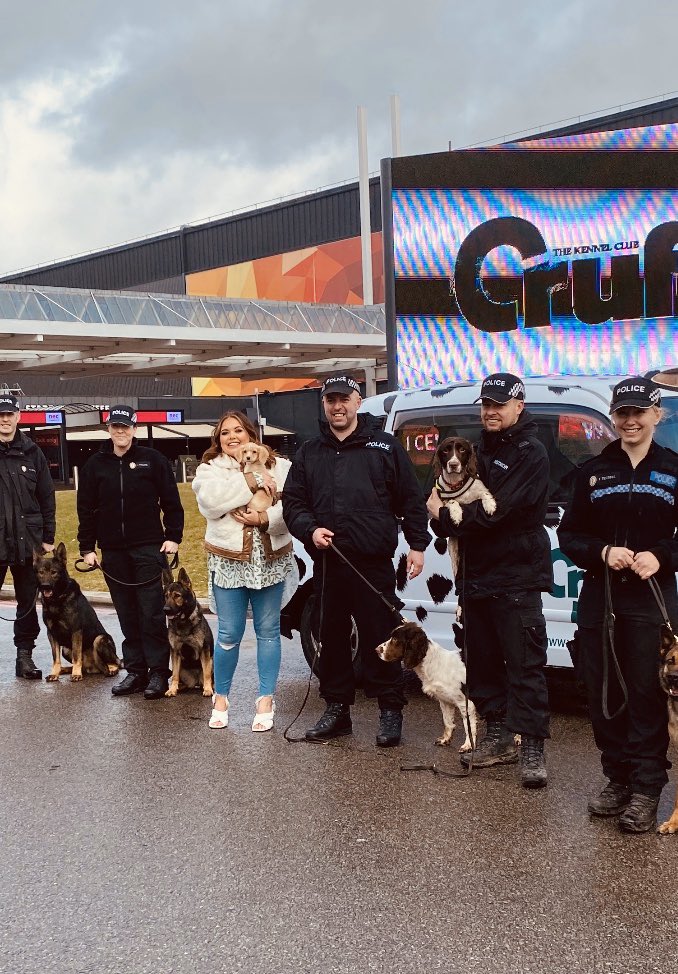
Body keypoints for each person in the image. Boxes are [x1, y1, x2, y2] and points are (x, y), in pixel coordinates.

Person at [282, 375, 429, 747]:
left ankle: (390, 712)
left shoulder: (384, 446)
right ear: (324, 404)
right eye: (330, 400)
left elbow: (410, 499)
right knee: (330, 641)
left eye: (343, 399)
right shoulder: (310, 452)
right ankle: (337, 711)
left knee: (381, 640)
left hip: (372, 564)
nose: (337, 406)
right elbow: (294, 504)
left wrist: (417, 544)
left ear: (358, 401)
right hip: (328, 565)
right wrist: (310, 530)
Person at [558, 376, 678, 833]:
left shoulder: (672, 469)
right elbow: (570, 536)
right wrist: (604, 552)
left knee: (646, 693)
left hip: (652, 600)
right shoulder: (592, 472)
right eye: (621, 413)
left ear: (655, 415)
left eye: (638, 412)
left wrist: (661, 556)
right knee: (603, 690)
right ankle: (618, 779)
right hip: (601, 598)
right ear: (613, 417)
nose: (629, 420)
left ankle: (647, 788)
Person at [426, 372, 552, 787]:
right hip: (475, 579)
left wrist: (442, 515)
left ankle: (532, 745)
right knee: (481, 665)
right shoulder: (472, 451)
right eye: (486, 404)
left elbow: (498, 514)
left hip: (516, 577)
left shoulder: (531, 453)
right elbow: (445, 524)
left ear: (519, 405)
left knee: (525, 665)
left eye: (499, 404)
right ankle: (497, 736)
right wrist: (443, 517)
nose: (490, 411)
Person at [192, 411, 296, 731]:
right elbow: (211, 503)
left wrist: (265, 520)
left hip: (268, 559)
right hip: (229, 561)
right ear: (218, 439)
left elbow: (292, 505)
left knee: (267, 632)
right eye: (225, 433)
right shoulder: (210, 470)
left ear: (251, 434)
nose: (233, 436)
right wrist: (251, 480)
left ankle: (265, 699)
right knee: (228, 634)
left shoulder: (280, 466)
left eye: (239, 430)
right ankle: (221, 697)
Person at [77, 405, 184, 699]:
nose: (120, 431)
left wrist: (173, 536)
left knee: (151, 614)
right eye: (115, 426)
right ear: (108, 429)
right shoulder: (95, 465)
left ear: (134, 429)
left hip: (149, 548)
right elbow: (85, 509)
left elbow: (171, 501)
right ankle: (136, 671)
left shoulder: (153, 460)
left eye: (125, 426)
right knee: (126, 613)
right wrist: (87, 547)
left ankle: (158, 672)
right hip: (112, 551)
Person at [0, 394, 55, 679]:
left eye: (9, 414)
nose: (5, 419)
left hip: (29, 543)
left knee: (26, 603)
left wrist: (48, 538)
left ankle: (25, 657)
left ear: (18, 416)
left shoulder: (33, 452)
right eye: (0, 415)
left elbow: (46, 497)